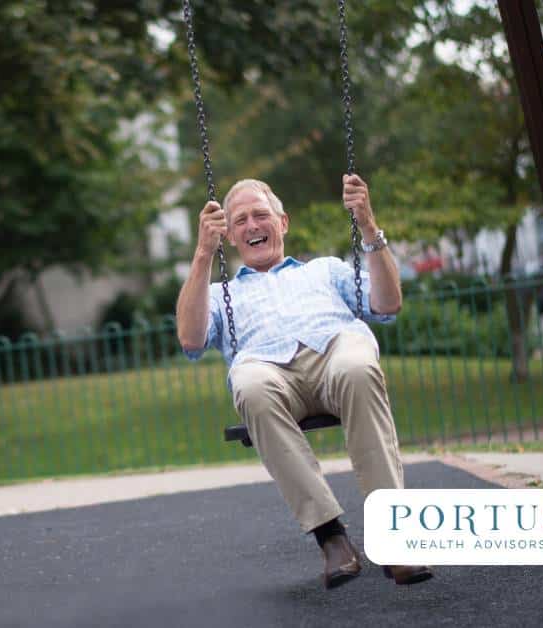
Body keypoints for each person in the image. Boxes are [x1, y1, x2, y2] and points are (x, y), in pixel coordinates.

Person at [175, 175, 433, 589]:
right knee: (250, 384)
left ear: (284, 222)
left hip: (335, 354)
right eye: (239, 221)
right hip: (269, 371)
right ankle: (330, 536)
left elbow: (387, 304)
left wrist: (368, 225)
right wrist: (204, 253)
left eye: (261, 215)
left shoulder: (326, 271)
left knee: (357, 365)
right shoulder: (222, 292)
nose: (252, 226)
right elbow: (190, 338)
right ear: (231, 236)